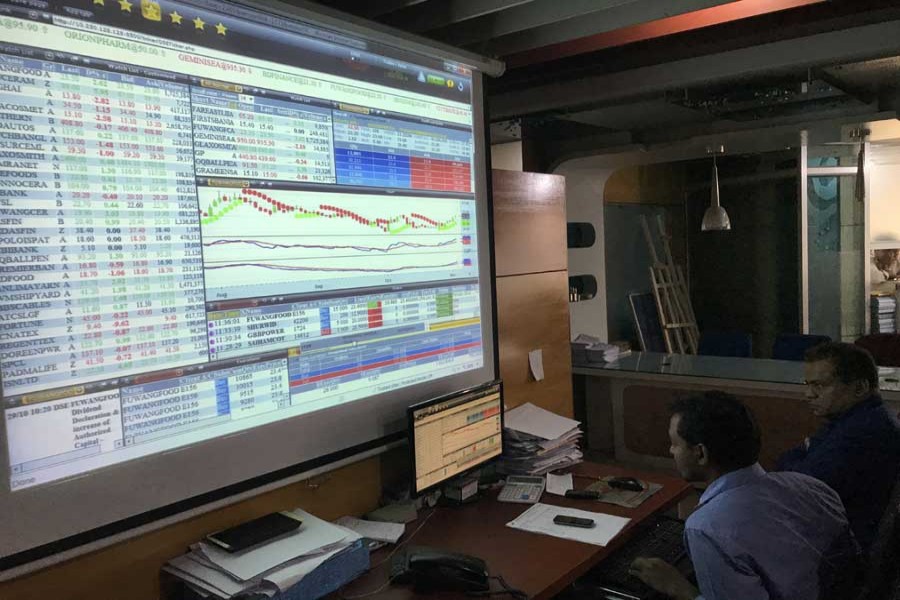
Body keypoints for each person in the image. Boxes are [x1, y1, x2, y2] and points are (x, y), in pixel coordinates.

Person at [630, 391, 859, 600]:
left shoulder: (706, 528)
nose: (671, 451)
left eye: (674, 444)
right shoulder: (812, 486)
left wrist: (679, 588)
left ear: (700, 453)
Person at [777, 341, 900, 554]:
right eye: (807, 384)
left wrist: (805, 452)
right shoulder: (855, 418)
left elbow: (797, 486)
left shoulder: (863, 432)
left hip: (840, 551)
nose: (808, 394)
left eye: (820, 385)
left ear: (860, 388)